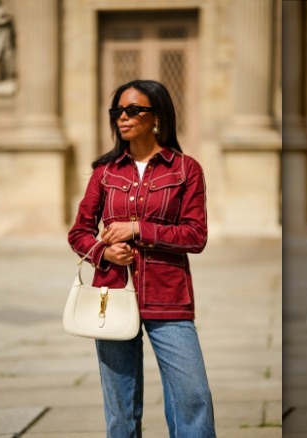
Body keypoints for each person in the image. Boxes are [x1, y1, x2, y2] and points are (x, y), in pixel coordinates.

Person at [68, 79, 216, 437]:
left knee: (192, 399)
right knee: (120, 410)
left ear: (156, 117)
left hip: (170, 297)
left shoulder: (185, 169)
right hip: (113, 296)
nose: (123, 116)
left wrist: (137, 228)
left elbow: (196, 236)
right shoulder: (105, 172)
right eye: (118, 110)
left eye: (133, 110)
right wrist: (105, 252)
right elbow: (79, 233)